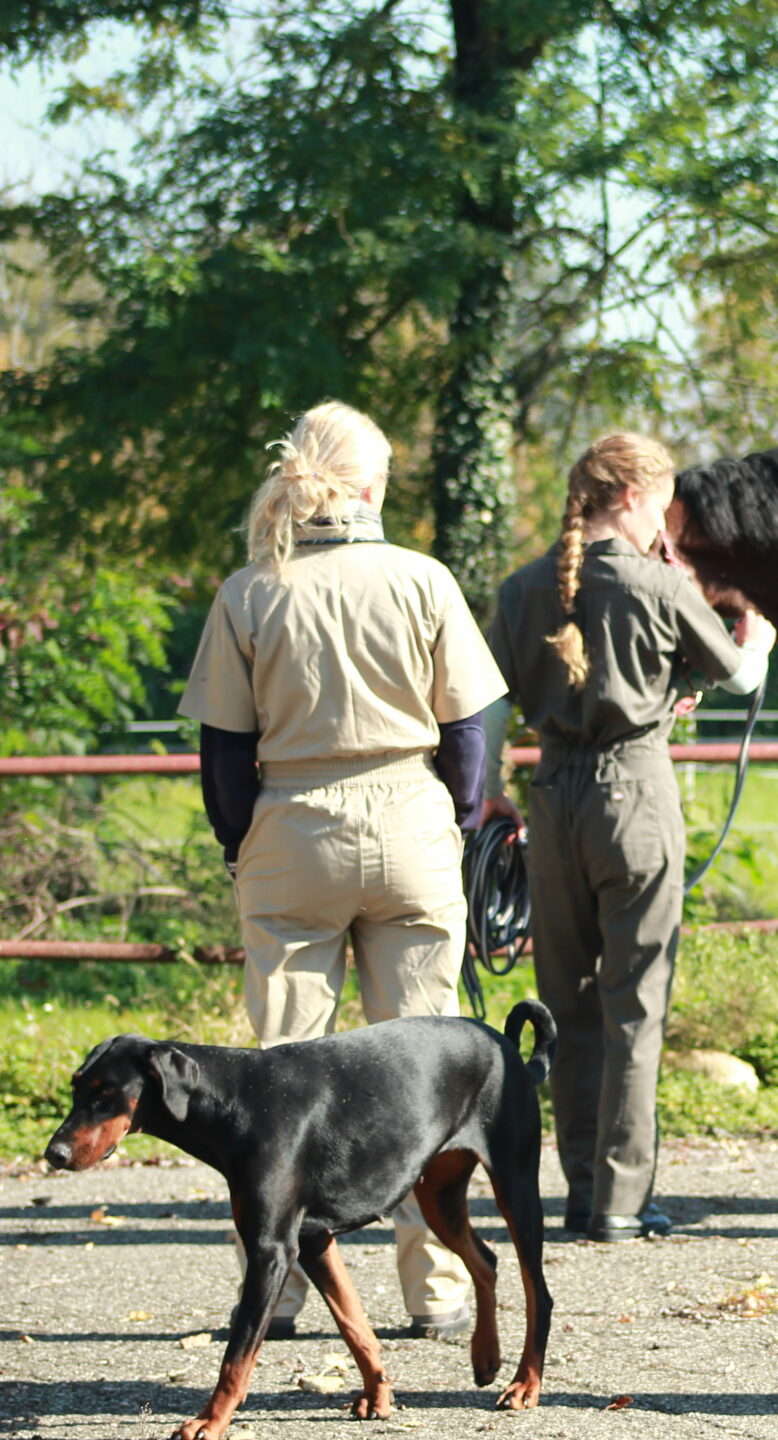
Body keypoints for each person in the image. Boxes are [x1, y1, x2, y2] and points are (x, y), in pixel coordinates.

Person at [179, 400, 504, 1340]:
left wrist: (244, 842)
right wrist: (455, 816)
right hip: (409, 815)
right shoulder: (423, 579)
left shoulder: (250, 590)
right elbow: (471, 731)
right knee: (424, 1071)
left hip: (291, 824)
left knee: (277, 1076)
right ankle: (435, 1283)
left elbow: (223, 749)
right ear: (370, 484)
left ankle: (275, 1288)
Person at [481, 433, 775, 1243]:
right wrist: (761, 632)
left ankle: (577, 1191)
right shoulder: (657, 583)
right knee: (634, 1004)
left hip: (551, 801)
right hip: (634, 795)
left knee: (566, 1004)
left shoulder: (524, 587)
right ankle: (619, 1199)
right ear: (639, 497)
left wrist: (491, 795)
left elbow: (486, 698)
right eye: (662, 508)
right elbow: (737, 674)